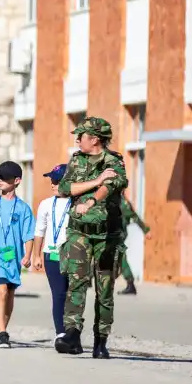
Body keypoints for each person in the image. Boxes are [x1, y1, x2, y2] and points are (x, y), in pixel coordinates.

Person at [55, 116, 127, 359]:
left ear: (95, 139)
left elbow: (112, 185)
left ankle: (101, 341)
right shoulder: (76, 160)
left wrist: (92, 198)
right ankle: (72, 334)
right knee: (76, 283)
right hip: (79, 232)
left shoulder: (114, 161)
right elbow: (64, 189)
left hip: (107, 236)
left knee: (104, 291)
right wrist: (95, 181)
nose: (77, 139)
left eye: (81, 135)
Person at [0, 161, 34, 349]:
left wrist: (28, 255)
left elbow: (28, 235)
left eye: (4, 178)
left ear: (17, 181)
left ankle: (0, 329)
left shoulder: (23, 209)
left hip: (13, 258)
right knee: (1, 290)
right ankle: (3, 333)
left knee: (9, 294)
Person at [31, 164, 71, 346]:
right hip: (51, 255)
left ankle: (73, 330)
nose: (53, 184)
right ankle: (60, 332)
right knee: (59, 294)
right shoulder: (46, 204)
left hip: (72, 255)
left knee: (73, 296)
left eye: (57, 180)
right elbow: (39, 231)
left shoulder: (77, 203)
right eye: (52, 180)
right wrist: (37, 255)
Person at [117, 193, 150, 295]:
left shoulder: (122, 201)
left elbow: (133, 215)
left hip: (118, 234)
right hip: (113, 233)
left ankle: (130, 283)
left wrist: (146, 230)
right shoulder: (114, 199)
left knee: (120, 257)